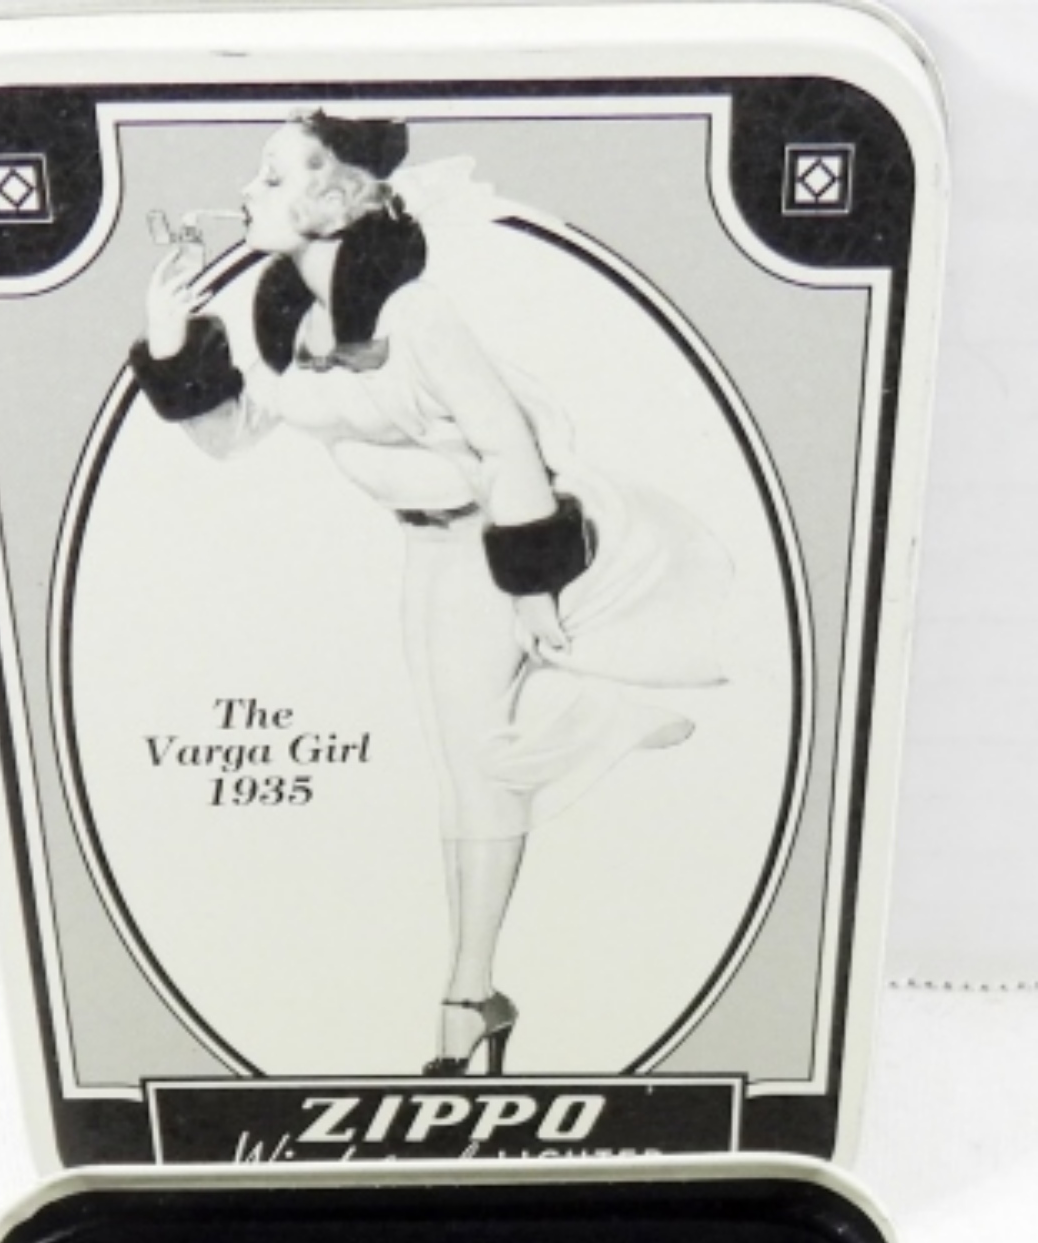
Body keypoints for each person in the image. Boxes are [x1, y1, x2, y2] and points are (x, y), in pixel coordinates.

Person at [131, 112, 724, 1071]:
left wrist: (530, 591)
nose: (247, 191)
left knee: (479, 768)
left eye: (272, 177)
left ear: (335, 201)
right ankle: (480, 982)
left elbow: (507, 445)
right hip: (428, 556)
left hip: (494, 544)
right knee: (468, 765)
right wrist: (169, 345)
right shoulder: (283, 317)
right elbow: (232, 437)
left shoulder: (415, 316)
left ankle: (465, 998)